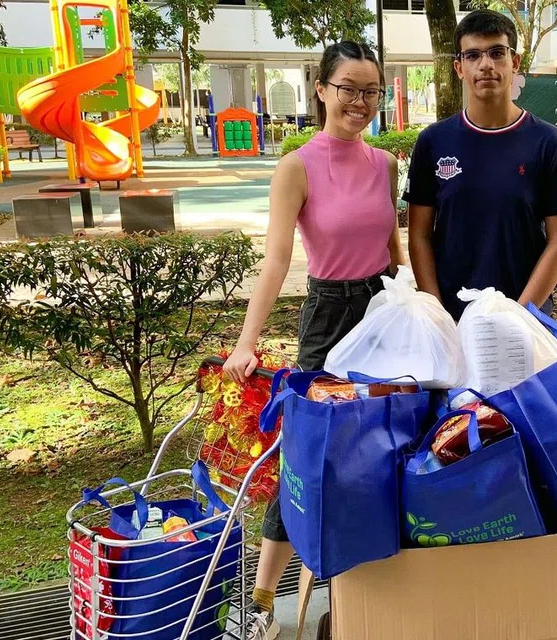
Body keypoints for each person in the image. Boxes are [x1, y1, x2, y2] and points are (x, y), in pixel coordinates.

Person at [222, 41, 406, 640]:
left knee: (384, 444)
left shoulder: (385, 164)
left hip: (382, 312)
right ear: (322, 89)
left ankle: (372, 589)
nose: (360, 101)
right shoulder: (296, 167)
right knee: (305, 454)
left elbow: (393, 250)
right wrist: (247, 342)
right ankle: (261, 601)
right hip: (328, 316)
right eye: (348, 88)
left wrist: (421, 310)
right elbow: (277, 259)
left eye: (371, 91)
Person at [404, 9, 557, 321]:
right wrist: (437, 315)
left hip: (525, 316)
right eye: (473, 55)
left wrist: (520, 316)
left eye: (497, 53)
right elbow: (419, 236)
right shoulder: (433, 142)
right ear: (459, 67)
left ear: (514, 62)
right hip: (451, 318)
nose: (485, 64)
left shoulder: (549, 142)